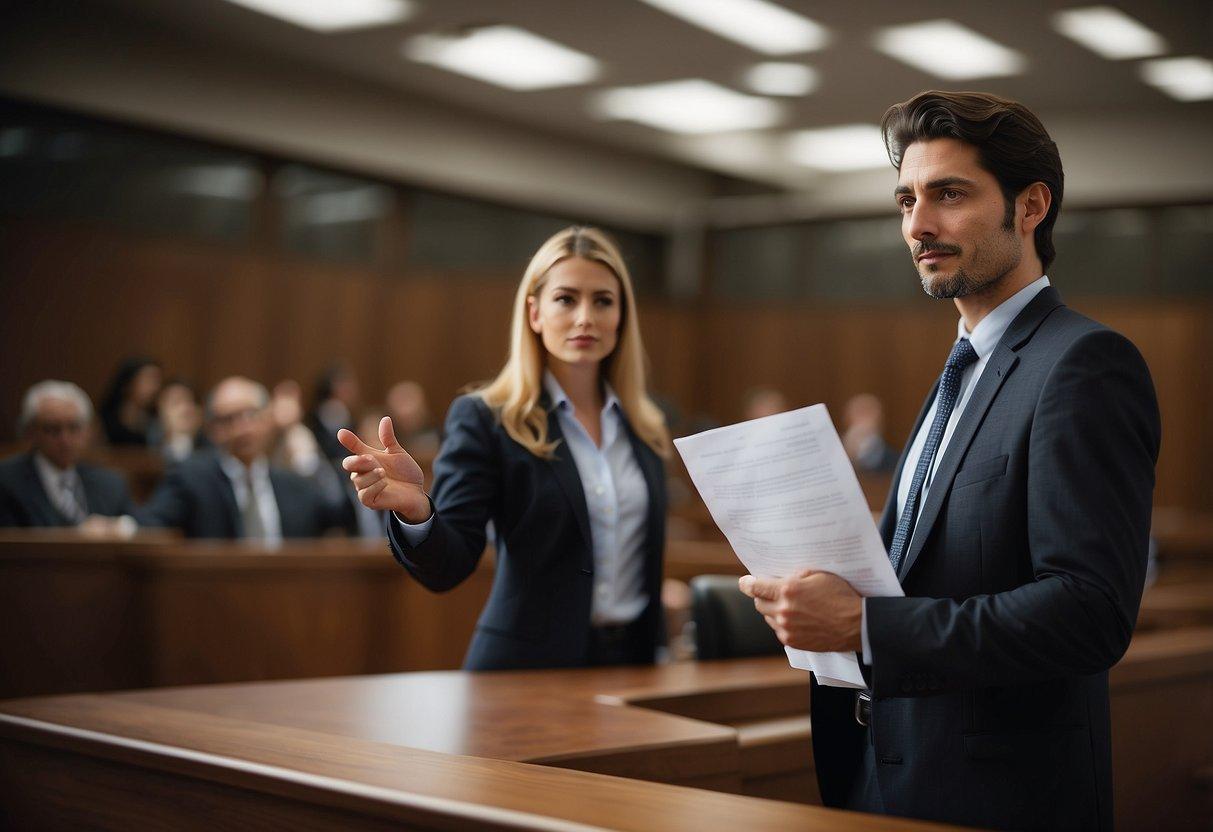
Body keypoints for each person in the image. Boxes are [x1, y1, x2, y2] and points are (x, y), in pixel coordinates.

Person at [739, 91, 1160, 831]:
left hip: (998, 797)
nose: (916, 226)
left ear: (1029, 207)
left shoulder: (1083, 363)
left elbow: (1088, 613)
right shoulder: (956, 371)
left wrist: (867, 626)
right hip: (882, 769)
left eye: (948, 195)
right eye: (905, 200)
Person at [340, 226, 671, 670]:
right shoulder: (486, 418)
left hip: (632, 665)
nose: (586, 317)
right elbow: (451, 564)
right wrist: (417, 512)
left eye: (603, 300)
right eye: (566, 299)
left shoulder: (644, 427)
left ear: (622, 316)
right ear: (534, 313)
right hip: (526, 669)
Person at [136, 376, 351, 539]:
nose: (242, 428)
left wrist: (307, 455)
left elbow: (340, 516)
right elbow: (149, 524)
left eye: (251, 415)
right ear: (212, 430)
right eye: (229, 420)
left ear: (268, 419)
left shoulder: (294, 485)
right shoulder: (191, 479)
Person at [0, 380, 136, 528]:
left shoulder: (109, 484)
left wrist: (122, 526)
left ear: (88, 431)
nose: (65, 440)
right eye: (52, 429)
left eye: (74, 428)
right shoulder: (6, 481)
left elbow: (141, 526)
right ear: (31, 432)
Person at [97, 357, 162, 446]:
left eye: (157, 381)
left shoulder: (159, 422)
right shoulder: (103, 421)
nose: (155, 387)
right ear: (128, 383)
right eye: (148, 380)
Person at [841, 393, 898, 474]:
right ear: (847, 418)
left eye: (869, 413)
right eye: (859, 412)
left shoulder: (895, 459)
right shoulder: (832, 452)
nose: (864, 420)